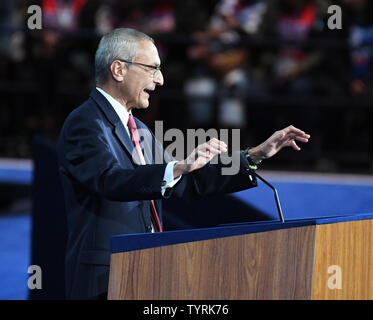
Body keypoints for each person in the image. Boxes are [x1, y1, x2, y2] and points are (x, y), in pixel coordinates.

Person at [57, 28, 310, 300]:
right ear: (118, 70)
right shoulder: (84, 123)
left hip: (144, 271)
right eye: (152, 68)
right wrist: (177, 168)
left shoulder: (137, 127)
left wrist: (253, 156)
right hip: (105, 279)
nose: (160, 79)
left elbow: (183, 183)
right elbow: (109, 180)